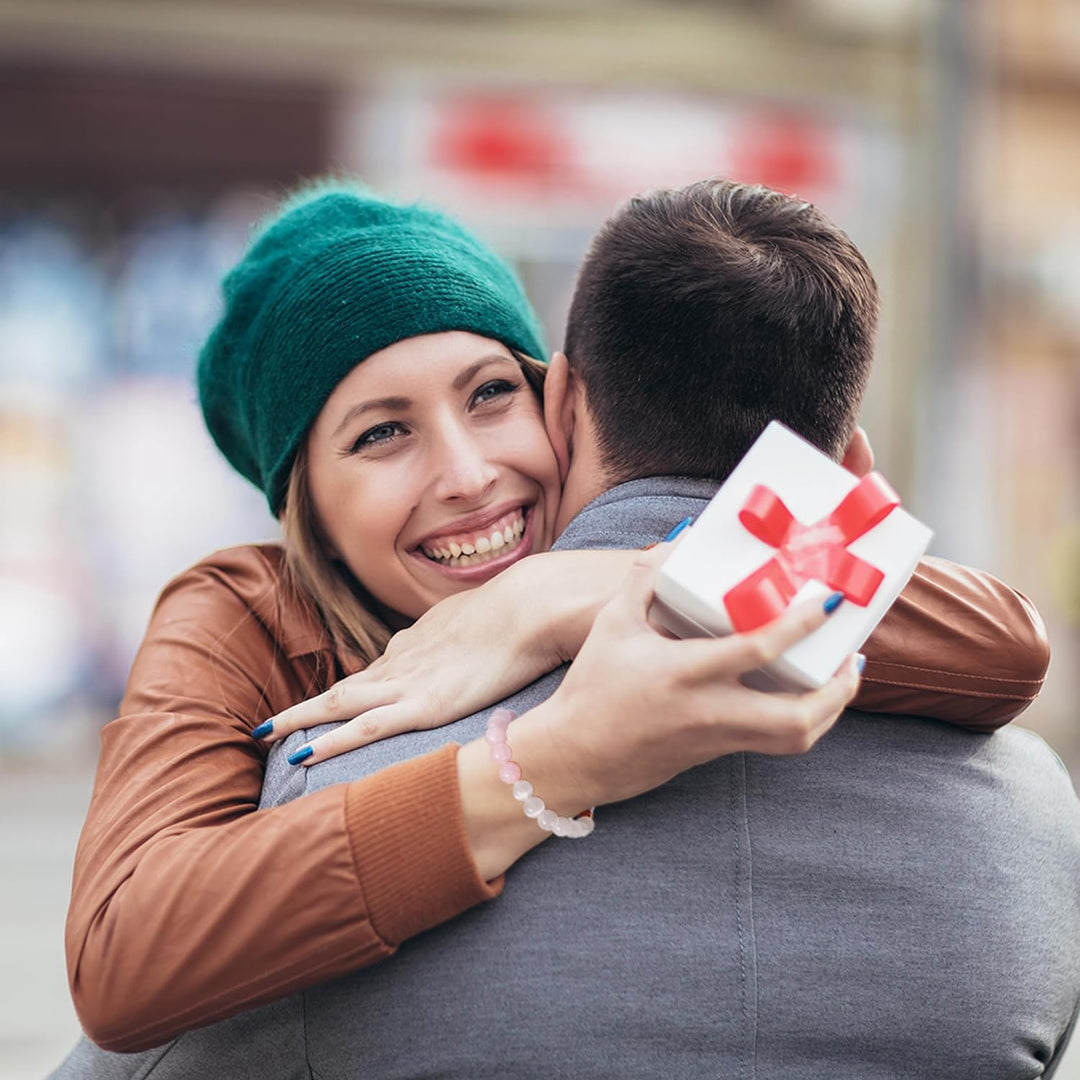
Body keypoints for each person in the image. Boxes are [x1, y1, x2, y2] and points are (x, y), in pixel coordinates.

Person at [55, 181, 1052, 1073]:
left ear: (562, 401)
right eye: (383, 432)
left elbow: (1000, 645)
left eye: (493, 395)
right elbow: (124, 957)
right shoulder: (242, 611)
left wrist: (569, 592)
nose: (468, 474)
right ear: (305, 498)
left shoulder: (617, 568)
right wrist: (549, 765)